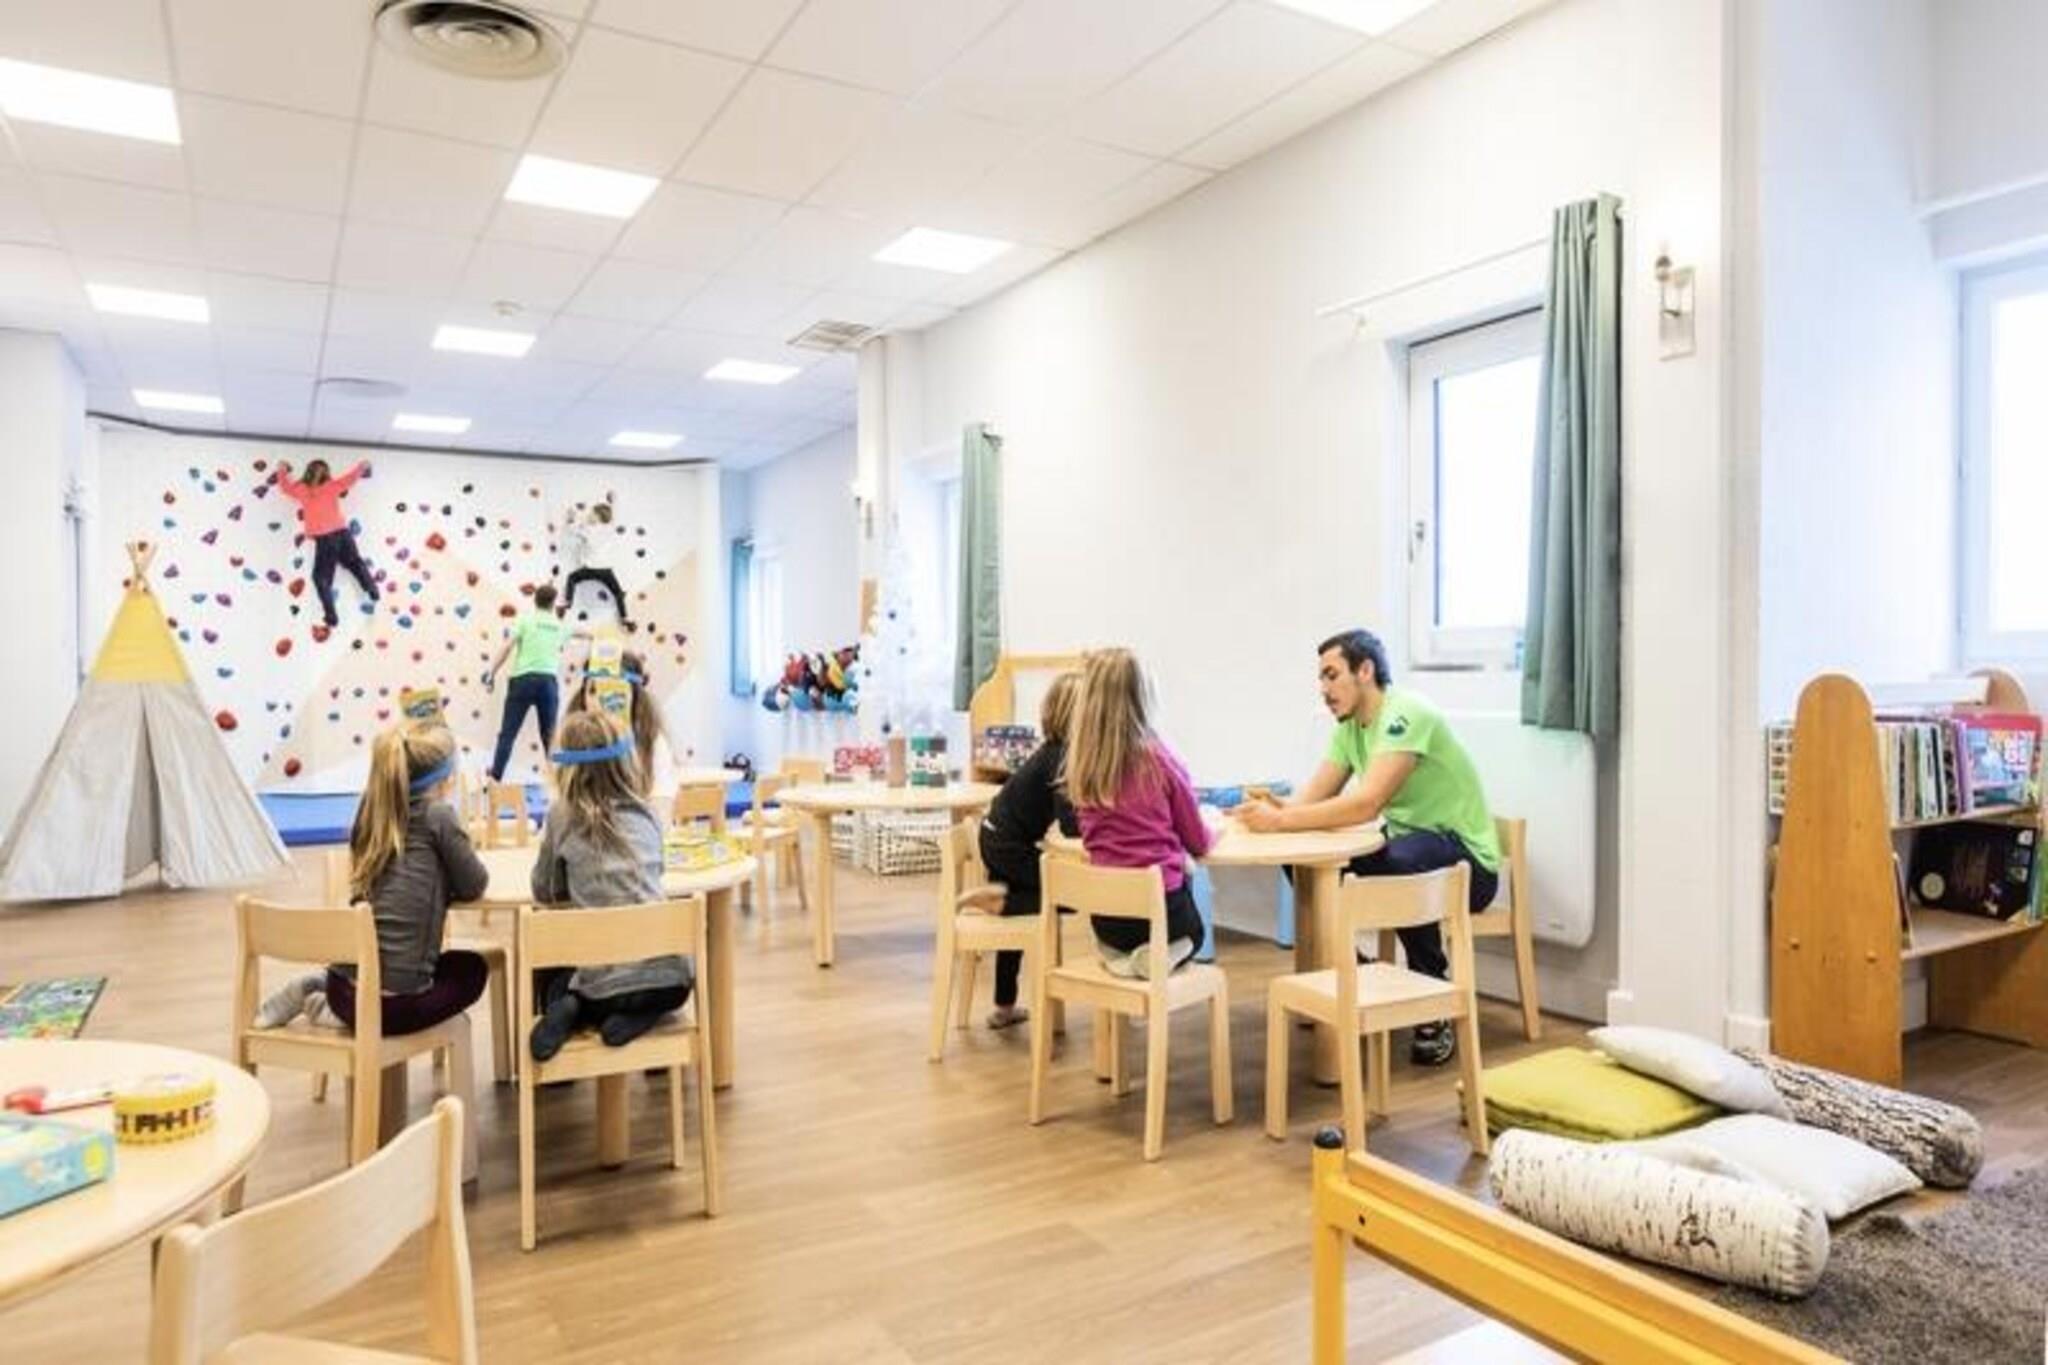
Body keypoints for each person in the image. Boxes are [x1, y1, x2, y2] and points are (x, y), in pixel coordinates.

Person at [1236, 628, 1499, 1066]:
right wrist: (1266, 812)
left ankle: (1433, 1004)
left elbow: (1366, 804)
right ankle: (1353, 967)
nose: (1323, 689)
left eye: (1331, 675)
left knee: (1402, 863)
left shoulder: (1406, 714)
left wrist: (1282, 820)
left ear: (1365, 671)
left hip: (1469, 863)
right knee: (1301, 856)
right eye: (1320, 678)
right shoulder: (1349, 728)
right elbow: (1309, 803)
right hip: (1410, 845)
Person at [256, 724, 490, 1036]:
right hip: (391, 1010)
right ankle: (339, 1010)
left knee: (384, 962)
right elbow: (474, 885)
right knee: (472, 968)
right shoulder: (439, 815)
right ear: (447, 780)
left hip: (342, 988)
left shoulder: (371, 813)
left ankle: (324, 992)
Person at [527, 710, 692, 1059]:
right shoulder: (647, 812)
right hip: (666, 980)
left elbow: (545, 889)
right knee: (675, 982)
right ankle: (636, 1017)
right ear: (626, 761)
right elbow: (657, 870)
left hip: (599, 987)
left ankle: (573, 1008)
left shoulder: (561, 815)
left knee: (555, 977)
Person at [1064, 648, 1213, 978]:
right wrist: (1215, 831)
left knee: (1117, 936)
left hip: (1107, 916)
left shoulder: (1083, 769)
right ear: (1145, 699)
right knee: (1195, 934)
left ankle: (1118, 955)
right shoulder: (1159, 762)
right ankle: (1160, 956)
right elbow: (1198, 841)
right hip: (1163, 913)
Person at [976, 671, 1081, 1028]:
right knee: (1071, 895)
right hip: (1008, 845)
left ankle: (1004, 1006)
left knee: (1019, 923)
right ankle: (1001, 903)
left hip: (995, 836)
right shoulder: (1063, 757)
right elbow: (1070, 824)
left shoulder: (1051, 751)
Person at [275, 457, 379, 629]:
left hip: (327, 538)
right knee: (354, 563)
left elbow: (285, 488)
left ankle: (332, 615)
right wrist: (362, 467)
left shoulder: (304, 489)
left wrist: (282, 469)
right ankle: (371, 588)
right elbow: (349, 479)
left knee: (322, 577)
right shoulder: (327, 486)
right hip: (341, 533)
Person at [482, 584, 570, 783]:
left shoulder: (524, 620)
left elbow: (506, 648)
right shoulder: (560, 626)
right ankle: (560, 785)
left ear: (535, 601)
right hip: (547, 683)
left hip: (522, 681)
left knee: (508, 734)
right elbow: (585, 634)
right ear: (553, 604)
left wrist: (491, 672)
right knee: (550, 737)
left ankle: (495, 779)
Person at [568, 647, 669, 795]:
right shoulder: (570, 745)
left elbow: (661, 803)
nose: (600, 701)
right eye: (593, 690)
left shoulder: (652, 744)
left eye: (613, 691)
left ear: (634, 696)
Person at [559, 493, 634, 633]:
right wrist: (614, 501)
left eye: (592, 514)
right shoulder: (609, 528)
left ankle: (568, 602)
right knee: (618, 593)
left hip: (590, 568)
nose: (589, 515)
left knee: (572, 578)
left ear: (598, 516)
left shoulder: (588, 529)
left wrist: (570, 517)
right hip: (605, 570)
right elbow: (615, 516)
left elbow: (571, 529)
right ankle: (626, 618)